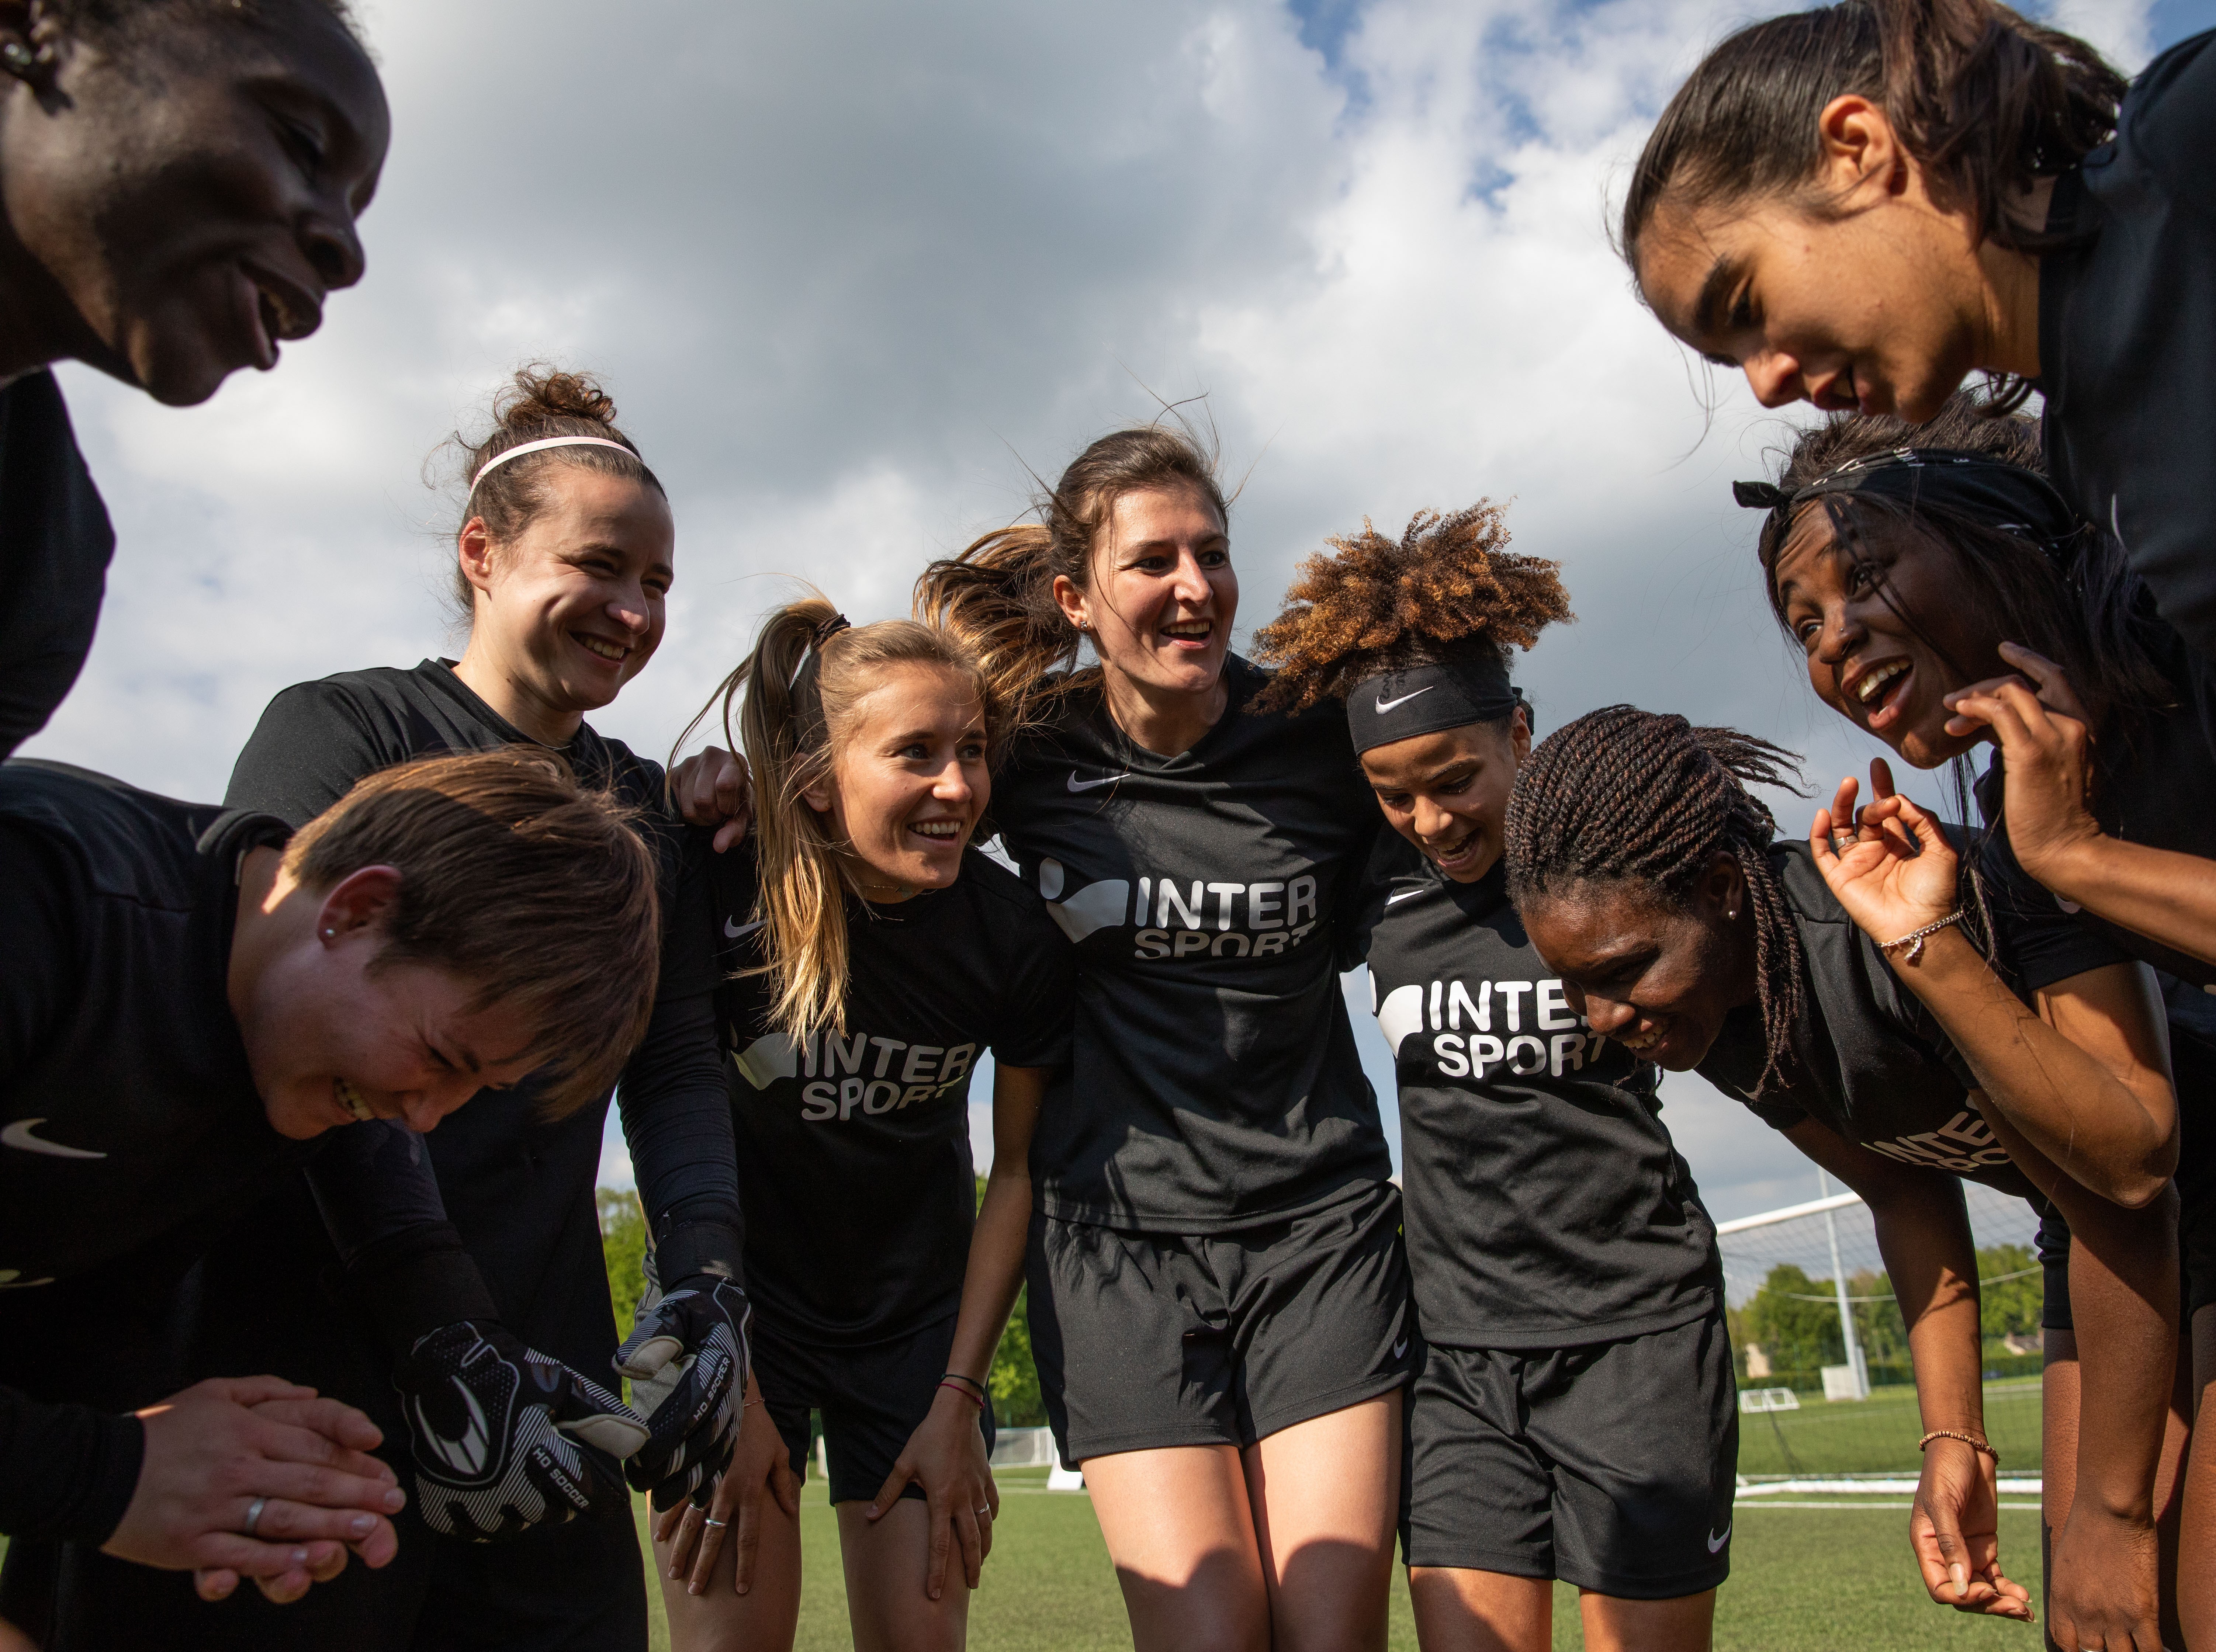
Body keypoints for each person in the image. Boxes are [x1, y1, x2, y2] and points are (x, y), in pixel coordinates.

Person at [25, 367, 747, 1652]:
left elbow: (679, 1064)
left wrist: (704, 1276)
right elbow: (289, 1012)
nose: (635, 610)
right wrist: (434, 1324)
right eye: (601, 565)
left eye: (660, 585)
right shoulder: (344, 727)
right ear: (484, 552)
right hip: (313, 1327)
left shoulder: (653, 817)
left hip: (533, 1348)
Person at [1759, 395, 2216, 1649]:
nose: (1835, 641)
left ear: (2007, 531)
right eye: (1804, 625)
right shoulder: (2014, 804)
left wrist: (2083, 856)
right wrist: (1928, 935)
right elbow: (2126, 1143)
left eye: (1865, 576)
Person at [1503, 707, 2216, 1652]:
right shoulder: (1721, 1009)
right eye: (1575, 985)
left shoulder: (1883, 924)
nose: (1603, 1015)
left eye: (1623, 969)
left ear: (1723, 887)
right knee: (2101, 1630)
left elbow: (2130, 1190)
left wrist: (2112, 1512)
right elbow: (1904, 1190)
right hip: (2092, 1220)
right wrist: (1953, 1437)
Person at [1618, 0, 2216, 833]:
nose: (1765, 383)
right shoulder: (2094, 473)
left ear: (1858, 151)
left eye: (1747, 302)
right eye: (1732, 358)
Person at [912, 424, 1407, 1652]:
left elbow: (1474, 786)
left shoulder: (1321, 739)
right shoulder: (1026, 758)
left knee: (1330, 1633)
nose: (1196, 588)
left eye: (1215, 553)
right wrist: (730, 795)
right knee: (1208, 1637)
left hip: (1321, 1232)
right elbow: (879, 777)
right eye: (1153, 563)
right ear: (1078, 597)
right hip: (1114, 1254)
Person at [0, 748, 662, 1644]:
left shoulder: (278, 1068)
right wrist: (105, 1475)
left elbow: (70, 1344)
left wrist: (230, 1491)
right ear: (357, 908)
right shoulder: (46, 895)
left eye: (477, 1088)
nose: (422, 1117)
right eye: (441, 1056)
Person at [1252, 504, 1735, 1651]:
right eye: (1393, 793)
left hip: (1638, 1343)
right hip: (1457, 1361)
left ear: (1522, 729)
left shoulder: (1611, 872)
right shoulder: (1381, 888)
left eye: (1456, 778)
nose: (1430, 819)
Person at [648, 597, 1071, 1652]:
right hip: (740, 1321)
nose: (957, 787)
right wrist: (724, 1380)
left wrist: (960, 1399)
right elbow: (668, 1118)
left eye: (971, 752)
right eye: (914, 754)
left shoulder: (1011, 932)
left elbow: (1014, 1172)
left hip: (916, 1340)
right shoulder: (723, 891)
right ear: (819, 780)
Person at [0, 0, 387, 758]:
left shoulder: (46, 567)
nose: (348, 253)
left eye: (356, 210)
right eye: (303, 146)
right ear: (28, 31)